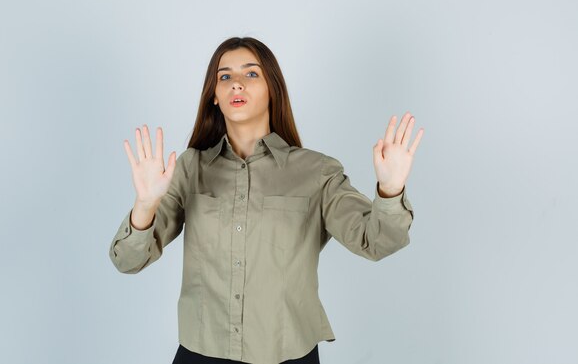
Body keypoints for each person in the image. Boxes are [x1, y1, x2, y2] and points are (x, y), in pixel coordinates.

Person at [109, 37, 424, 364]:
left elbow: (375, 242)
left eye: (251, 74)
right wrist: (145, 204)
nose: (236, 85)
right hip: (201, 353)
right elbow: (128, 260)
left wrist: (390, 190)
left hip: (287, 355)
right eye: (225, 77)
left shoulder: (316, 172)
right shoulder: (190, 168)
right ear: (214, 97)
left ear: (273, 88)